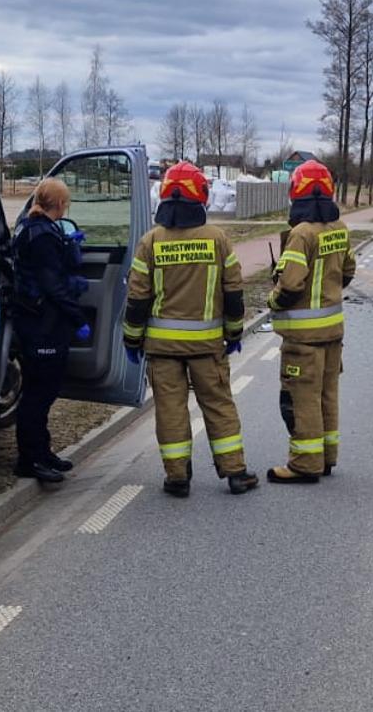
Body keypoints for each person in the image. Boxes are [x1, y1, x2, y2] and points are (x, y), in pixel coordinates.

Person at [122, 162, 259, 497]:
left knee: (170, 410)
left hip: (162, 349)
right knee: (218, 405)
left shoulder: (150, 242)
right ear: (202, 196)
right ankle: (235, 472)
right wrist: (234, 333)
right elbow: (233, 292)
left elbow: (137, 298)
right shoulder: (217, 239)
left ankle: (177, 477)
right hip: (207, 346)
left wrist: (132, 339)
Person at [265, 159, 355, 484]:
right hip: (333, 332)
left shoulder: (301, 234)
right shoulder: (339, 228)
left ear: (296, 192)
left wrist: (272, 301)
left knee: (302, 398)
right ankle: (326, 457)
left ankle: (305, 464)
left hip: (303, 339)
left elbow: (290, 285)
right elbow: (347, 272)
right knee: (327, 395)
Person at [10, 178, 87, 483]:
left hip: (37, 321)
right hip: (42, 324)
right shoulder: (41, 236)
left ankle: (41, 452)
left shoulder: (34, 229)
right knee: (38, 393)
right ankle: (30, 459)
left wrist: (68, 245)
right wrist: (78, 318)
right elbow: (52, 284)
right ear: (61, 204)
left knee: (41, 390)